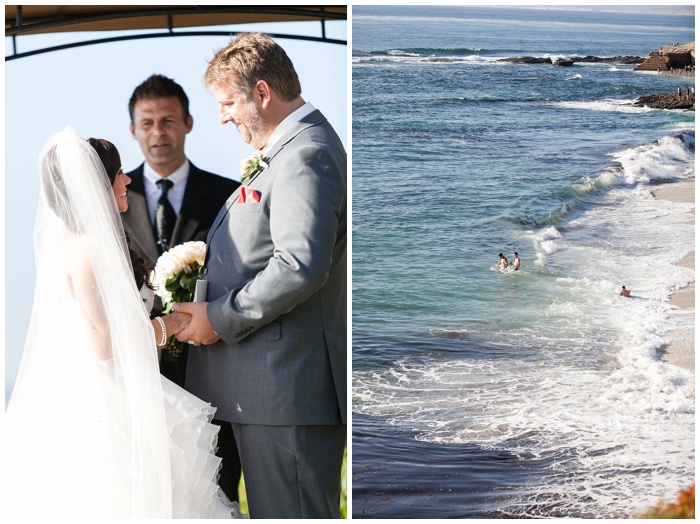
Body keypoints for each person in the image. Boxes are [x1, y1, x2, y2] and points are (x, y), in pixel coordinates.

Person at [5, 127, 243, 518]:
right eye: (118, 173)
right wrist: (173, 325)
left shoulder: (68, 242)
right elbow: (106, 344)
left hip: (94, 392)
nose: (128, 179)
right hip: (110, 403)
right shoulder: (87, 248)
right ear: (96, 184)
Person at [174, 33, 347, 519]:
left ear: (263, 93)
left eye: (228, 103)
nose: (223, 116)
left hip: (283, 394)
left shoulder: (305, 154)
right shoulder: (287, 149)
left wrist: (219, 318)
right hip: (258, 390)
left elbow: (299, 265)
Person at [122, 74, 243, 502]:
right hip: (141, 377)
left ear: (189, 123)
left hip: (214, 369)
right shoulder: (112, 199)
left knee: (215, 493)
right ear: (133, 130)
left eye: (168, 121)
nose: (159, 133)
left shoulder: (229, 194)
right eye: (148, 123)